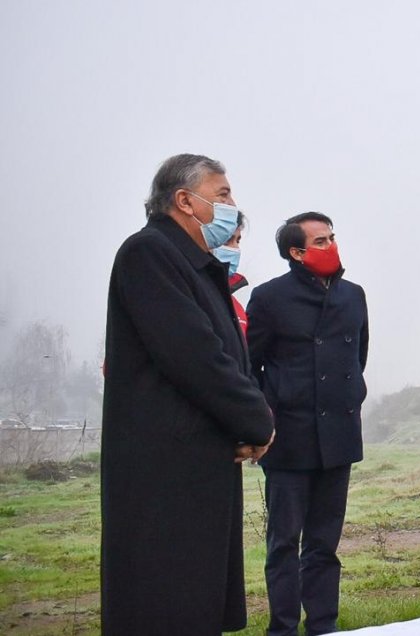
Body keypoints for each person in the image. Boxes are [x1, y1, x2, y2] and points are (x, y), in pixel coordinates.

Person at [101, 153, 275, 634]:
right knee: (166, 599)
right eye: (222, 195)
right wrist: (256, 421)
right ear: (184, 200)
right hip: (164, 469)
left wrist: (241, 423)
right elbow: (195, 355)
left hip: (199, 458)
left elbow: (226, 356)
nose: (232, 205)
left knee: (195, 600)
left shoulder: (193, 264)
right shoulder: (149, 253)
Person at [246, 211, 369, 636]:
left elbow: (358, 359)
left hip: (339, 436)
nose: (330, 245)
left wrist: (351, 396)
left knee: (323, 544)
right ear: (296, 253)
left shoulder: (354, 295)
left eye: (332, 237)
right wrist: (267, 416)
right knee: (283, 544)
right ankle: (282, 627)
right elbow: (251, 365)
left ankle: (324, 626)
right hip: (289, 439)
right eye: (320, 241)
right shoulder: (268, 298)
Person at [213, 211, 249, 336]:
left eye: (237, 241)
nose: (235, 248)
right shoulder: (188, 292)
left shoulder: (236, 306)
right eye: (227, 240)